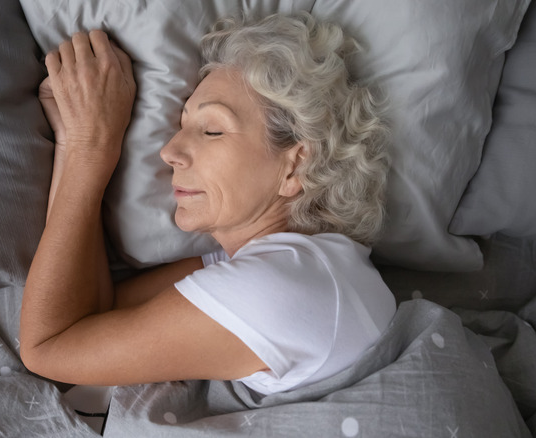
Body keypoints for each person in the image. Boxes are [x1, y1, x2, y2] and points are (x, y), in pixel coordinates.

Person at [20, 13, 396, 396]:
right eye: (182, 126)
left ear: (294, 164)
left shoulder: (273, 289)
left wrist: (91, 149)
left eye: (212, 130)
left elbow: (50, 348)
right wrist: (73, 144)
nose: (170, 152)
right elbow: (96, 317)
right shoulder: (298, 265)